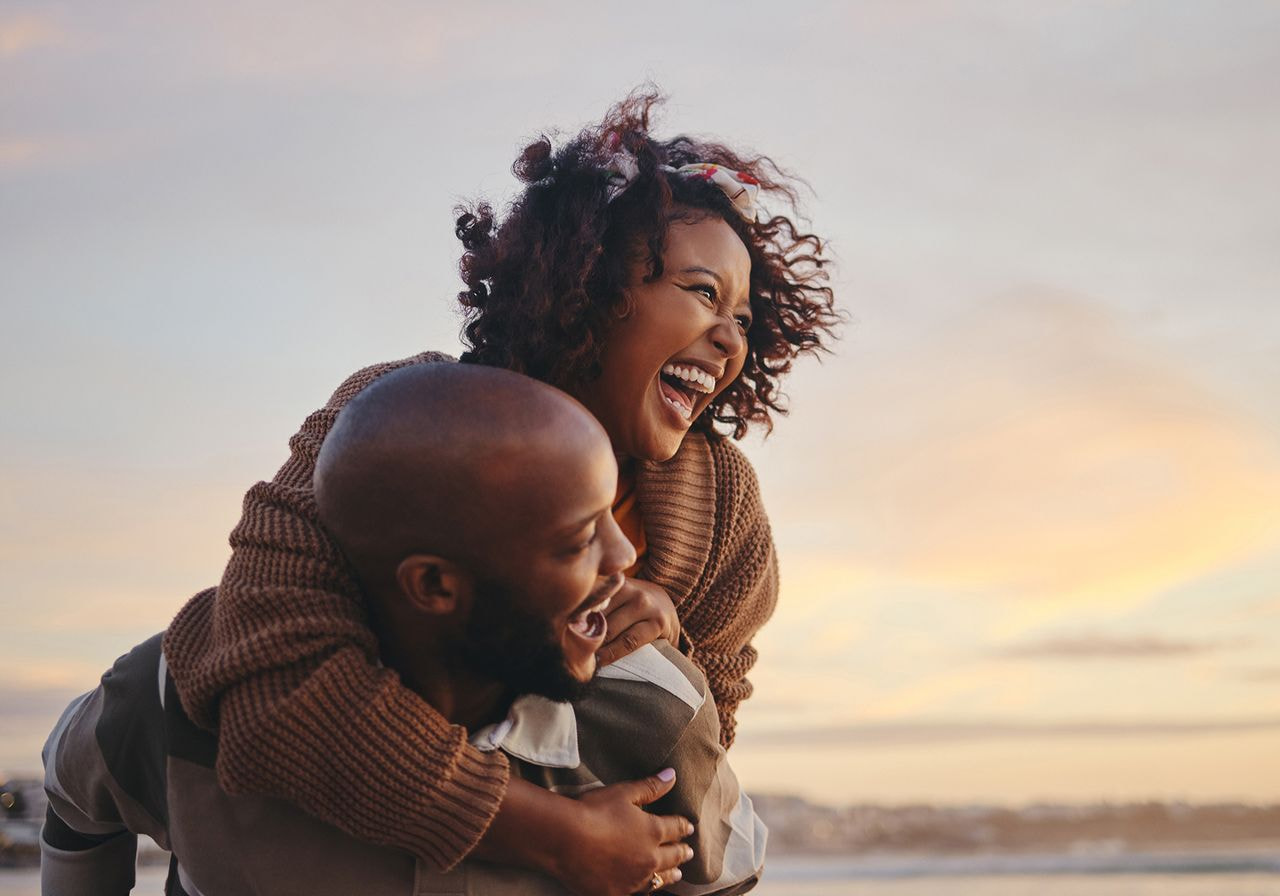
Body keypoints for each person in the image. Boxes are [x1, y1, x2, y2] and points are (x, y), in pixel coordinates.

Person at [161, 89, 838, 895]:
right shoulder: (396, 420)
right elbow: (273, 683)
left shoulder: (722, 505)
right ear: (589, 284)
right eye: (700, 292)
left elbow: (699, 755)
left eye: (744, 315)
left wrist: (673, 652)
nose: (730, 338)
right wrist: (551, 835)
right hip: (315, 844)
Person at [41, 364, 765, 896]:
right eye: (579, 540)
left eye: (616, 512)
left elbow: (725, 877)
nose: (628, 557)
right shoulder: (180, 695)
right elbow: (73, 799)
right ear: (435, 585)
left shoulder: (653, 712)